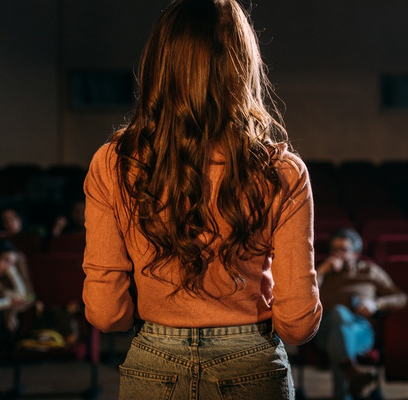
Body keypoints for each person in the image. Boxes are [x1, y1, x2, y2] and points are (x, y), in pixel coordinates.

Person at [82, 1, 322, 399]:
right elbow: (298, 324)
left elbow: (106, 314)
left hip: (152, 370)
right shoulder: (283, 172)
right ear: (242, 67)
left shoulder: (113, 162)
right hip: (252, 368)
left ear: (161, 64)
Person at [315, 228, 408, 400]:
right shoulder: (323, 272)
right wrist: (321, 272)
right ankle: (351, 372)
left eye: (343, 250)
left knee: (340, 335)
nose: (338, 254)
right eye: (334, 250)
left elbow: (401, 297)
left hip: (361, 331)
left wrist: (377, 303)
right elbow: (305, 299)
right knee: (338, 314)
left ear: (356, 254)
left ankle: (344, 387)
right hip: (325, 329)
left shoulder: (369, 271)